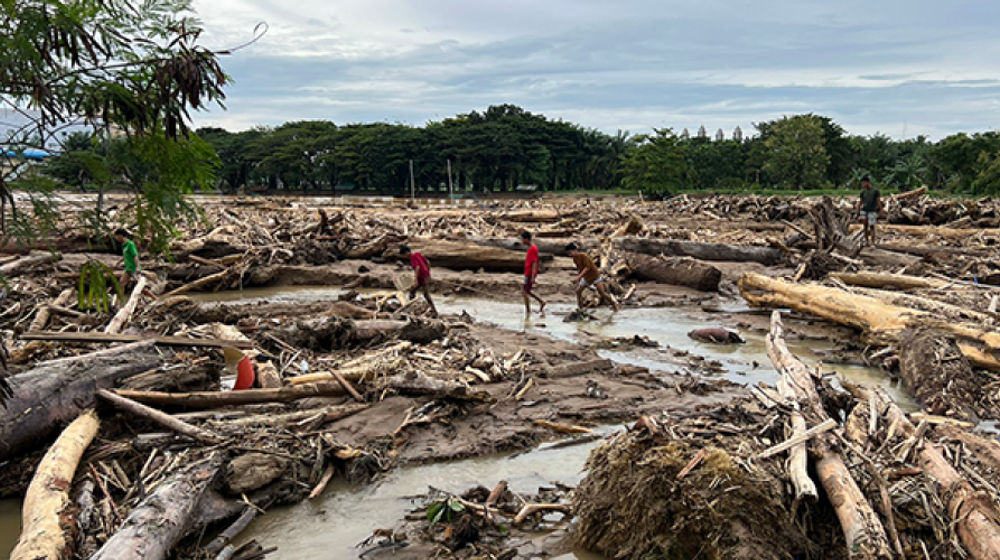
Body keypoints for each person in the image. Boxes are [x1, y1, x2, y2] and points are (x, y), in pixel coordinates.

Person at [566, 242, 620, 311]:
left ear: (574, 250)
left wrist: (579, 277)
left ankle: (613, 304)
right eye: (568, 253)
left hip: (595, 276)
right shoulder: (575, 259)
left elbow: (587, 268)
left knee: (602, 292)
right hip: (586, 277)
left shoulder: (584, 256)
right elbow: (580, 269)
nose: (570, 255)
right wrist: (579, 278)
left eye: (570, 253)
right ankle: (581, 309)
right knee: (578, 292)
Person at [399, 245, 438, 317]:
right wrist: (428, 273)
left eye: (404, 255)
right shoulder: (417, 254)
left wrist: (416, 280)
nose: (405, 256)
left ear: (407, 252)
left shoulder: (413, 257)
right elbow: (428, 262)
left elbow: (417, 268)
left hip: (421, 277)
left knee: (424, 294)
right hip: (425, 276)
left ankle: (434, 311)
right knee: (413, 291)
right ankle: (413, 307)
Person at [519, 231, 546, 315]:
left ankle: (528, 310)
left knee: (524, 292)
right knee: (527, 291)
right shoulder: (532, 248)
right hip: (528, 272)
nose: (522, 241)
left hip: (529, 273)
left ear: (526, 239)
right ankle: (541, 302)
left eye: (522, 239)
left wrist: (533, 276)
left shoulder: (533, 249)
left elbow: (534, 263)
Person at [856, 176, 882, 246]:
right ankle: (866, 241)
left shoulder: (875, 191)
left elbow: (878, 201)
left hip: (872, 210)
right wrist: (858, 210)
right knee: (865, 226)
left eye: (863, 183)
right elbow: (861, 202)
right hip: (864, 210)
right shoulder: (863, 191)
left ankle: (872, 242)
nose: (863, 185)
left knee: (872, 226)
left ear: (867, 182)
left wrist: (880, 210)